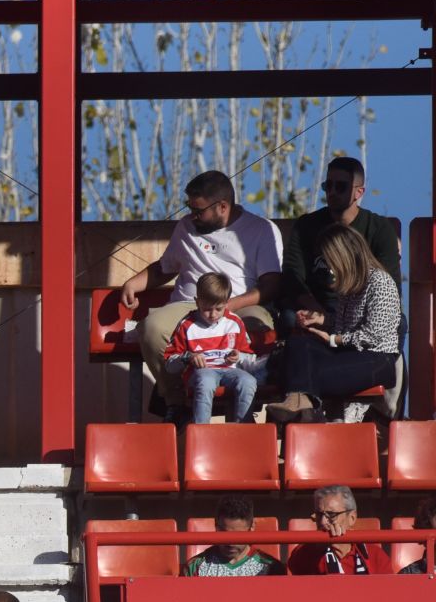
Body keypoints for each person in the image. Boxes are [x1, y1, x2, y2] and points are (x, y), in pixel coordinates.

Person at [121, 169, 282, 416]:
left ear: (223, 207)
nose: (192, 216)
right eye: (190, 208)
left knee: (260, 328)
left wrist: (228, 307)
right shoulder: (185, 227)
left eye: (199, 211)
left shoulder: (262, 229)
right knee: (152, 328)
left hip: (241, 302)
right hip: (191, 305)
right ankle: (175, 403)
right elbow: (164, 269)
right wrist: (132, 284)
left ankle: (246, 408)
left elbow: (271, 284)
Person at [270, 222, 404, 424]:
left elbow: (373, 335)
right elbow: (345, 324)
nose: (326, 265)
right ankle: (300, 402)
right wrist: (322, 320)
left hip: (377, 359)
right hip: (347, 353)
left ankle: (303, 412)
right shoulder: (348, 286)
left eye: (328, 258)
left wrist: (335, 339)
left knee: (305, 373)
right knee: (298, 344)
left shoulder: (380, 282)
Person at [280, 156, 401, 326]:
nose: (332, 192)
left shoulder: (379, 229)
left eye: (341, 187)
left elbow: (391, 285)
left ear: (359, 192)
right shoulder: (307, 225)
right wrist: (318, 311)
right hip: (315, 304)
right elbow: (293, 277)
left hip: (360, 309)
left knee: (398, 323)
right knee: (289, 318)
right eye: (328, 186)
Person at [162, 273, 262, 424]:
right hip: (200, 372)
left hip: (230, 370)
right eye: (207, 309)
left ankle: (244, 428)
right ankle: (201, 429)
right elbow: (169, 364)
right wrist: (188, 357)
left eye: (219, 309)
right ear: (197, 302)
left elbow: (249, 357)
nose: (213, 314)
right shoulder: (187, 325)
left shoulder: (234, 322)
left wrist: (238, 356)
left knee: (248, 381)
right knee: (206, 379)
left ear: (227, 303)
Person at [288, 484, 392, 575]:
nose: (323, 522)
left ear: (352, 518)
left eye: (332, 514)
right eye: (319, 515)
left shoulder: (375, 556)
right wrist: (318, 547)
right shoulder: (309, 553)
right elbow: (294, 565)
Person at [183, 496, 283, 577]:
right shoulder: (195, 567)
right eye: (225, 534)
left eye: (238, 535)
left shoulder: (271, 568)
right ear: (216, 527)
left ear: (252, 527)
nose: (231, 543)